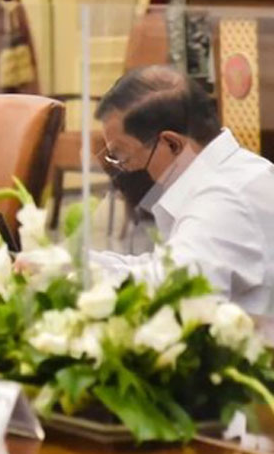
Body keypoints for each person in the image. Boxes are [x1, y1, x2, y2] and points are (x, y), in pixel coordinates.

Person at [91, 65, 274, 313]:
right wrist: (72, 267)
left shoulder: (225, 201)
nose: (122, 169)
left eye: (121, 155)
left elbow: (172, 293)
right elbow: (165, 267)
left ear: (171, 143)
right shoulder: (230, 174)